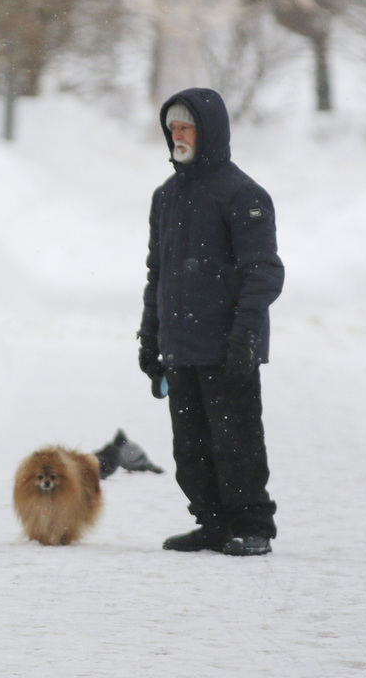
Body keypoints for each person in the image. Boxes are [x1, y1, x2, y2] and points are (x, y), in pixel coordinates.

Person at [137, 87, 284, 557]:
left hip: (227, 346)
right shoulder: (166, 197)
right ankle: (213, 523)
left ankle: (252, 525)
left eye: (187, 127)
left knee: (235, 441)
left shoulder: (243, 195)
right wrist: (150, 337)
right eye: (173, 128)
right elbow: (156, 273)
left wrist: (245, 337)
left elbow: (263, 272)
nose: (178, 135)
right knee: (190, 448)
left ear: (210, 133)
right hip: (180, 347)